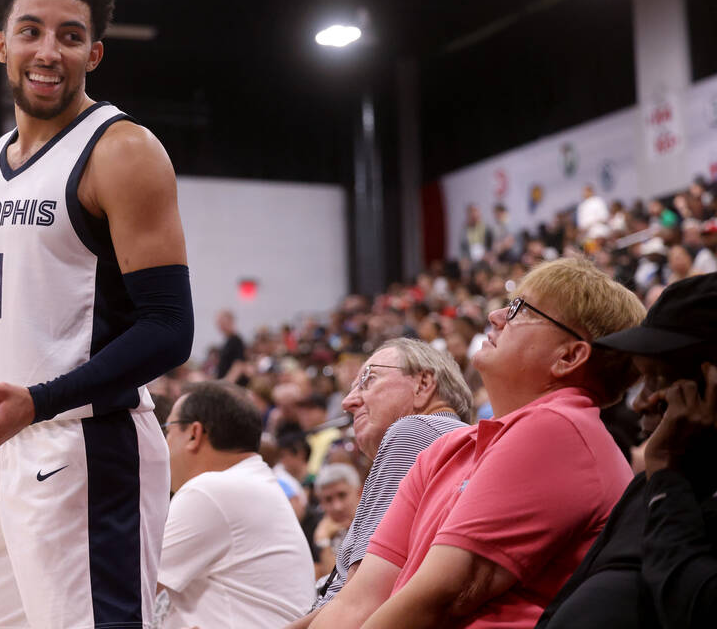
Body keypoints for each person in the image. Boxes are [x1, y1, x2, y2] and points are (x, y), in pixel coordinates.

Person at [0, 0, 194, 629]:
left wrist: (38, 403)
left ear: (93, 52)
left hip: (90, 447)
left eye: (70, 36)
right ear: (1, 44)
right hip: (10, 458)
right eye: (31, 31)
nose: (49, 51)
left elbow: (169, 328)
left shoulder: (122, 151)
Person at [313, 257, 645, 629]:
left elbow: (440, 597)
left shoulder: (560, 426)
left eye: (520, 308)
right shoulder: (450, 449)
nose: (496, 316)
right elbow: (358, 602)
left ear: (568, 356)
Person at [536, 272, 717, 629]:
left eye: (660, 379)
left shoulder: (667, 474)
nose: (640, 403)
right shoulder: (661, 481)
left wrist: (666, 470)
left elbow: (693, 608)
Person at [283, 339, 473, 629]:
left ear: (423, 383)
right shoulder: (452, 439)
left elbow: (359, 603)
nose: (348, 402)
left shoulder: (415, 431)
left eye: (367, 380)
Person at [157, 382, 314, 628]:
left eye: (168, 430)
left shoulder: (211, 491)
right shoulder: (249, 483)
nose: (164, 443)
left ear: (194, 434)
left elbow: (129, 585)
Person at [312, 464, 361, 580]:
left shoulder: (372, 527)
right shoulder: (318, 528)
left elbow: (338, 583)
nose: (337, 507)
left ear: (359, 493)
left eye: (342, 495)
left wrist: (323, 542)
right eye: (328, 499)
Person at [215, 310, 246, 380]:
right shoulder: (228, 341)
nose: (220, 325)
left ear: (230, 322)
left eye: (222, 322)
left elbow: (239, 365)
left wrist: (226, 383)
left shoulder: (236, 340)